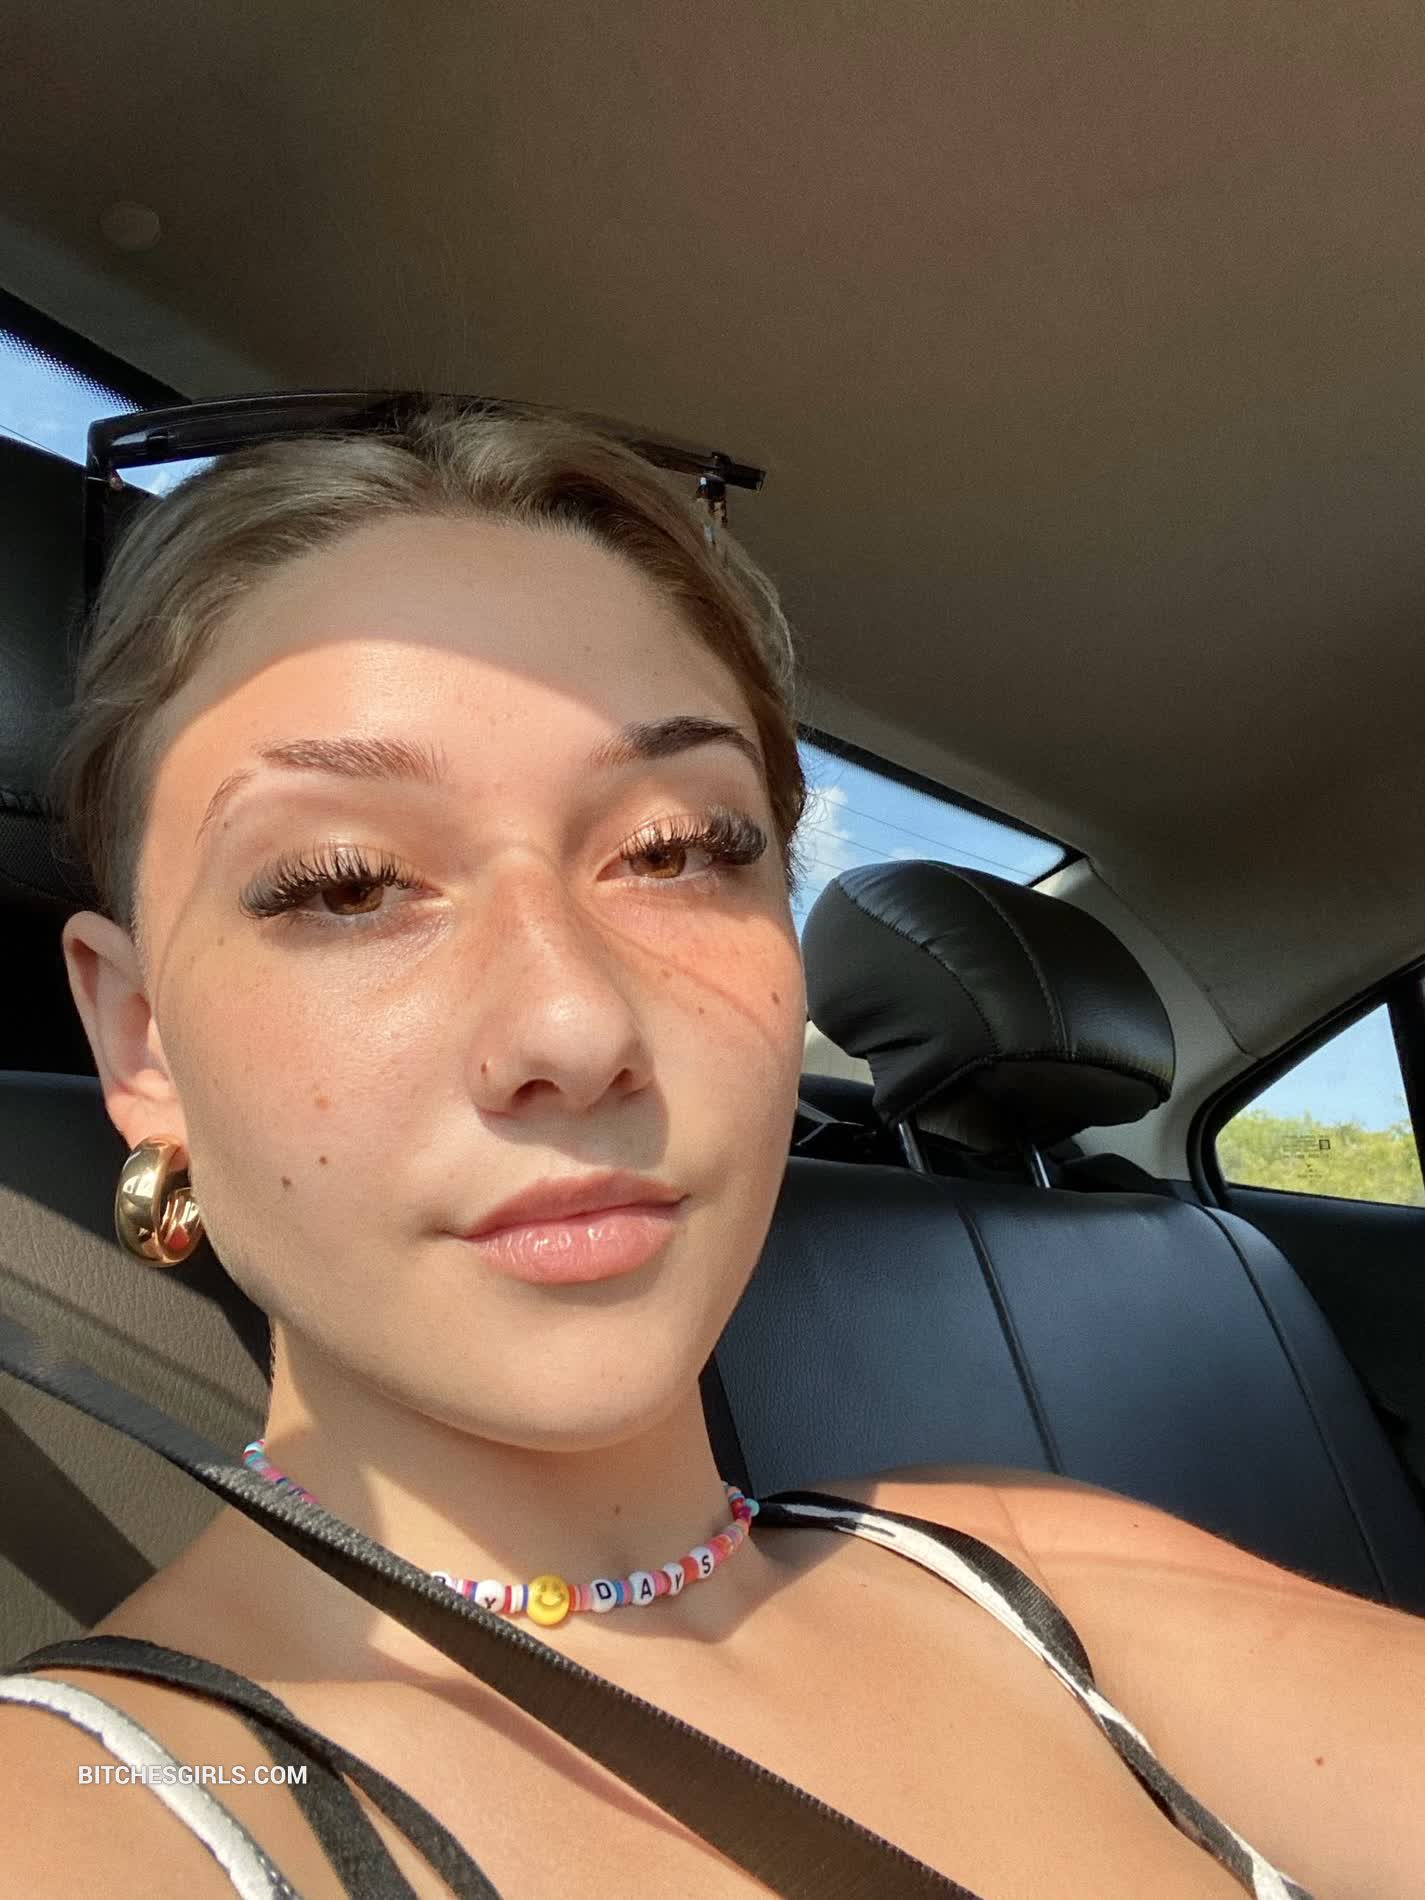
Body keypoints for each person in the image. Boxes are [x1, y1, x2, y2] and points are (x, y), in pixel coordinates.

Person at [0, 397, 1415, 1898]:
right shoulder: (85, 1815)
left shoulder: (1039, 1564)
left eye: (680, 850)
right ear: (142, 1042)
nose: (571, 1022)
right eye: (345, 882)